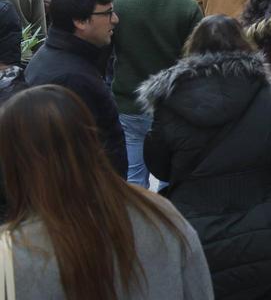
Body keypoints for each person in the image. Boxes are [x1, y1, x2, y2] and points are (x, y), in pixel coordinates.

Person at [141, 15, 271, 300]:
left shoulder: (170, 101)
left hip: (197, 237)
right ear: (245, 45)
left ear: (192, 50)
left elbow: (160, 167)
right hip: (262, 235)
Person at [0, 85, 214, 300]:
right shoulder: (159, 213)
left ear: (12, 164)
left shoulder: (12, 254)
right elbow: (199, 290)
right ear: (91, 140)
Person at [111, 0, 204, 188]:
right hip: (173, 102)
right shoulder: (188, 7)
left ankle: (136, 223)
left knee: (133, 174)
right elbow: (196, 57)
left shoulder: (118, 3)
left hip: (128, 99)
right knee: (170, 174)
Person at [23, 0, 127, 176]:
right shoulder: (72, 79)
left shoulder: (59, 58)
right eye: (107, 13)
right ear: (80, 21)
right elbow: (81, 158)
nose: (115, 19)